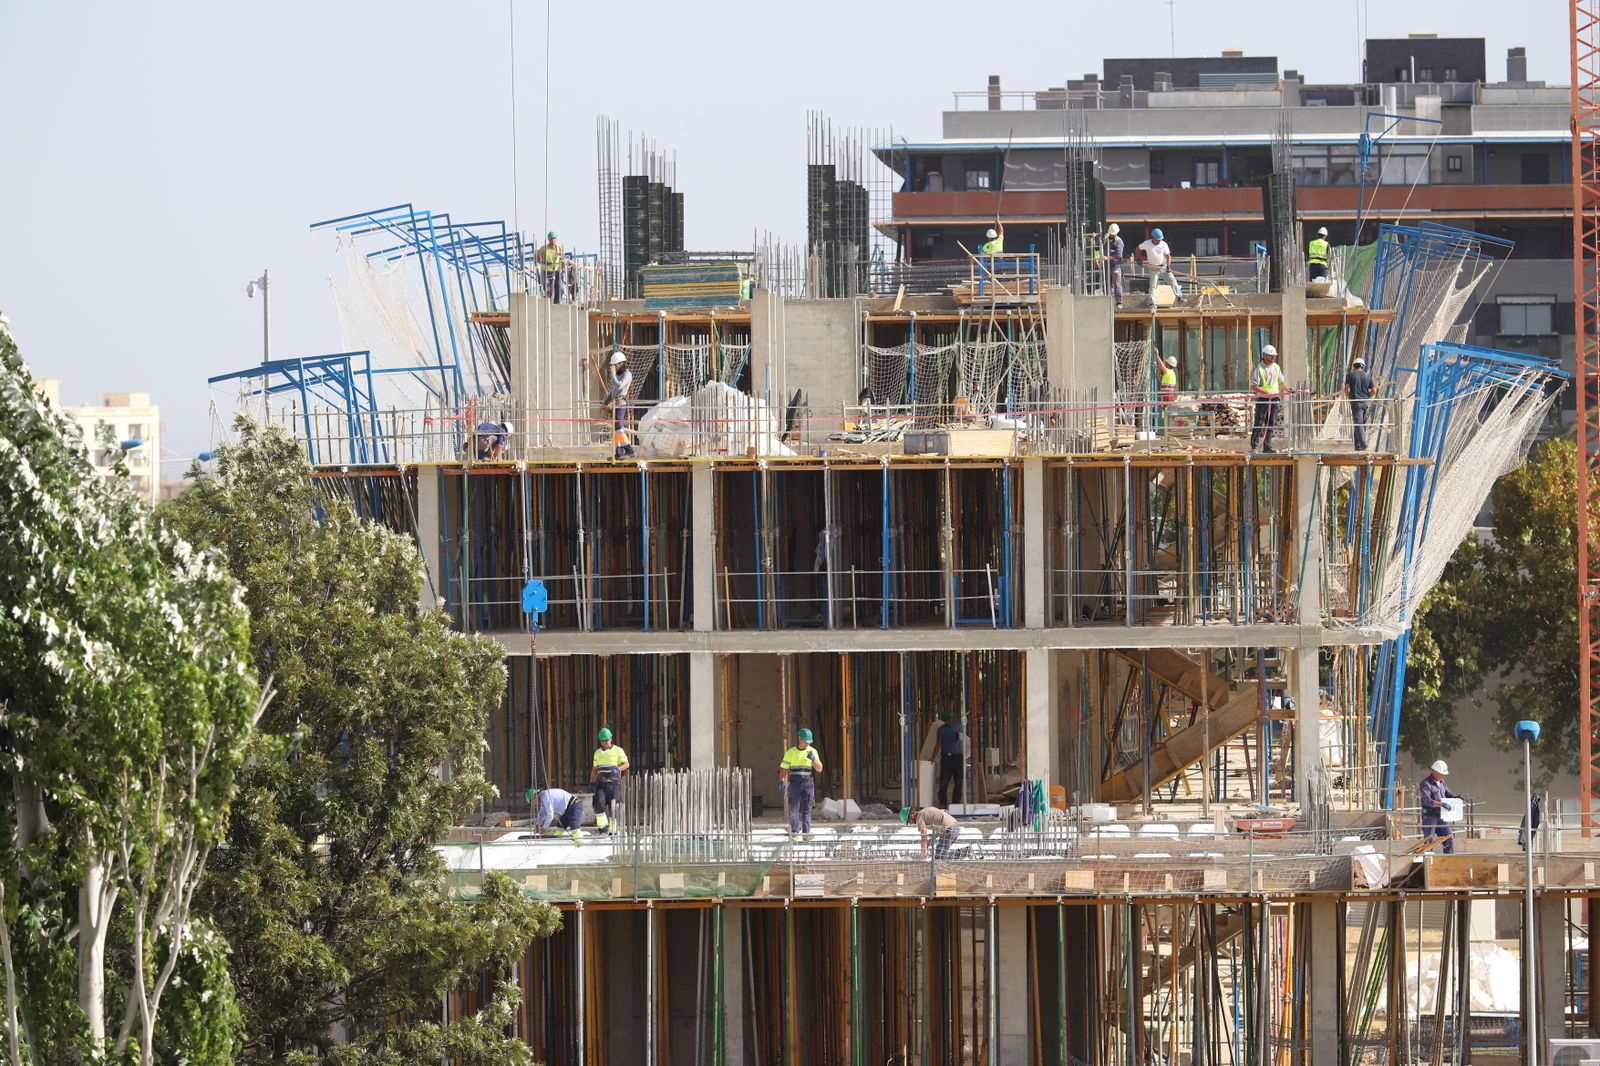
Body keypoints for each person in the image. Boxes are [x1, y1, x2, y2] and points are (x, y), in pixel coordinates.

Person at [778, 727, 823, 836]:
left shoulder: (813, 752)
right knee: (794, 809)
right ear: (800, 739)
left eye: (809, 742)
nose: (807, 744)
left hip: (808, 784)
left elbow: (819, 769)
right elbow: (784, 769)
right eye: (805, 742)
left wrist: (814, 759)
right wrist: (782, 781)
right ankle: (794, 833)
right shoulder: (791, 752)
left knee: (807, 810)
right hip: (795, 784)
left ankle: (806, 834)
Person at [1249, 344, 1289, 453]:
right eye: (1270, 356)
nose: (1273, 358)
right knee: (1259, 422)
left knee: (1271, 423)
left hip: (1274, 399)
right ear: (1265, 356)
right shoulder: (1259, 369)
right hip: (1263, 399)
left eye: (1273, 356)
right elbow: (1253, 385)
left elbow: (1281, 381)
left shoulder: (1276, 367)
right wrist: (1265, 392)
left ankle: (1267, 447)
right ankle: (1254, 447)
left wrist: (1288, 390)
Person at [590, 727, 629, 835]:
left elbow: (626, 764)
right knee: (598, 803)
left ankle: (613, 830)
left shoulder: (618, 750)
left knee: (614, 806)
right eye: (602, 741)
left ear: (611, 739)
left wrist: (617, 769)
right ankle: (603, 828)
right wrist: (592, 782)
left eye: (606, 740)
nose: (605, 743)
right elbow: (595, 768)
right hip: (601, 782)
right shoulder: (597, 753)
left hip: (613, 783)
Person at [601, 350, 635, 459]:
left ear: (621, 363)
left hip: (621, 404)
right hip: (615, 404)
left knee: (619, 427)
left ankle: (629, 450)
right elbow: (613, 392)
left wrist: (613, 374)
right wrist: (605, 403)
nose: (613, 367)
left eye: (615, 365)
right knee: (615, 429)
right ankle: (618, 453)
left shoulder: (627, 374)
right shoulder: (617, 374)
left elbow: (619, 386)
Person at [1419, 760, 1457, 854]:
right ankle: (1429, 864)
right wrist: (1441, 804)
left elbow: (1448, 793)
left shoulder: (1442, 782)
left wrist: (1455, 798)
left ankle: (1449, 861)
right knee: (1429, 842)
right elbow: (1427, 801)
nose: (1443, 776)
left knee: (1449, 838)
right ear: (1435, 772)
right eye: (1441, 773)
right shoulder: (1425, 784)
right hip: (1430, 817)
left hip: (1441, 816)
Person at [1137, 228, 1180, 305]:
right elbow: (1138, 248)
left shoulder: (1163, 244)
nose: (1159, 241)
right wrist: (1138, 258)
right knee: (1153, 286)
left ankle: (1179, 297)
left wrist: (1168, 266)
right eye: (1158, 239)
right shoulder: (1147, 243)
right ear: (1153, 238)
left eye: (1160, 239)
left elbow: (1168, 256)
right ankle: (1151, 302)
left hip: (1163, 266)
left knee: (1172, 281)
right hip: (1153, 267)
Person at [1343, 356, 1376, 451]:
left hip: (1356, 403)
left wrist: (1350, 398)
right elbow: (1374, 390)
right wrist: (1367, 397)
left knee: (1358, 424)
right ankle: (1357, 446)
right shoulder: (1368, 376)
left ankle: (1363, 445)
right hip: (1365, 403)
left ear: (1354, 366)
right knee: (1361, 424)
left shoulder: (1350, 375)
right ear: (1363, 366)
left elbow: (1346, 390)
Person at [935, 709, 964, 807]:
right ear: (946, 721)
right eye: (950, 720)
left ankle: (956, 802)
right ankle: (943, 803)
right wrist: (933, 758)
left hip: (958, 757)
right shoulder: (942, 730)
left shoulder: (958, 725)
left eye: (953, 719)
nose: (952, 721)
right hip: (947, 758)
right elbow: (938, 744)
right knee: (944, 781)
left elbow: (963, 735)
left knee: (959, 781)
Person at [1103, 223, 1126, 308]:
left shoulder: (1119, 241)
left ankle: (1119, 302)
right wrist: (1098, 258)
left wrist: (1107, 258)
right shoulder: (1106, 238)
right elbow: (1098, 248)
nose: (1112, 235)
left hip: (1115, 265)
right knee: (1106, 282)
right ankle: (1106, 300)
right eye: (1111, 233)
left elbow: (1119, 255)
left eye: (1113, 233)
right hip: (1106, 264)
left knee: (1116, 283)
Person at [537, 231, 564, 303]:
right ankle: (548, 302)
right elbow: (537, 256)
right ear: (548, 239)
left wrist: (562, 262)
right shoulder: (544, 248)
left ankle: (557, 303)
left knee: (560, 288)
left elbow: (562, 258)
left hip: (557, 271)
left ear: (556, 239)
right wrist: (540, 262)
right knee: (548, 290)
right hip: (546, 271)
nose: (552, 240)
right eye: (551, 239)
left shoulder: (559, 248)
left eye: (554, 238)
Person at [1157, 353, 1178, 433]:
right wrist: (1159, 371)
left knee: (1166, 414)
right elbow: (1160, 380)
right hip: (1168, 397)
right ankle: (1168, 431)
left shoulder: (1168, 372)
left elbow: (1162, 365)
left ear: (1168, 364)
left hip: (1167, 397)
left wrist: (1157, 355)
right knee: (1167, 414)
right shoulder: (1172, 374)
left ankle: (1168, 431)